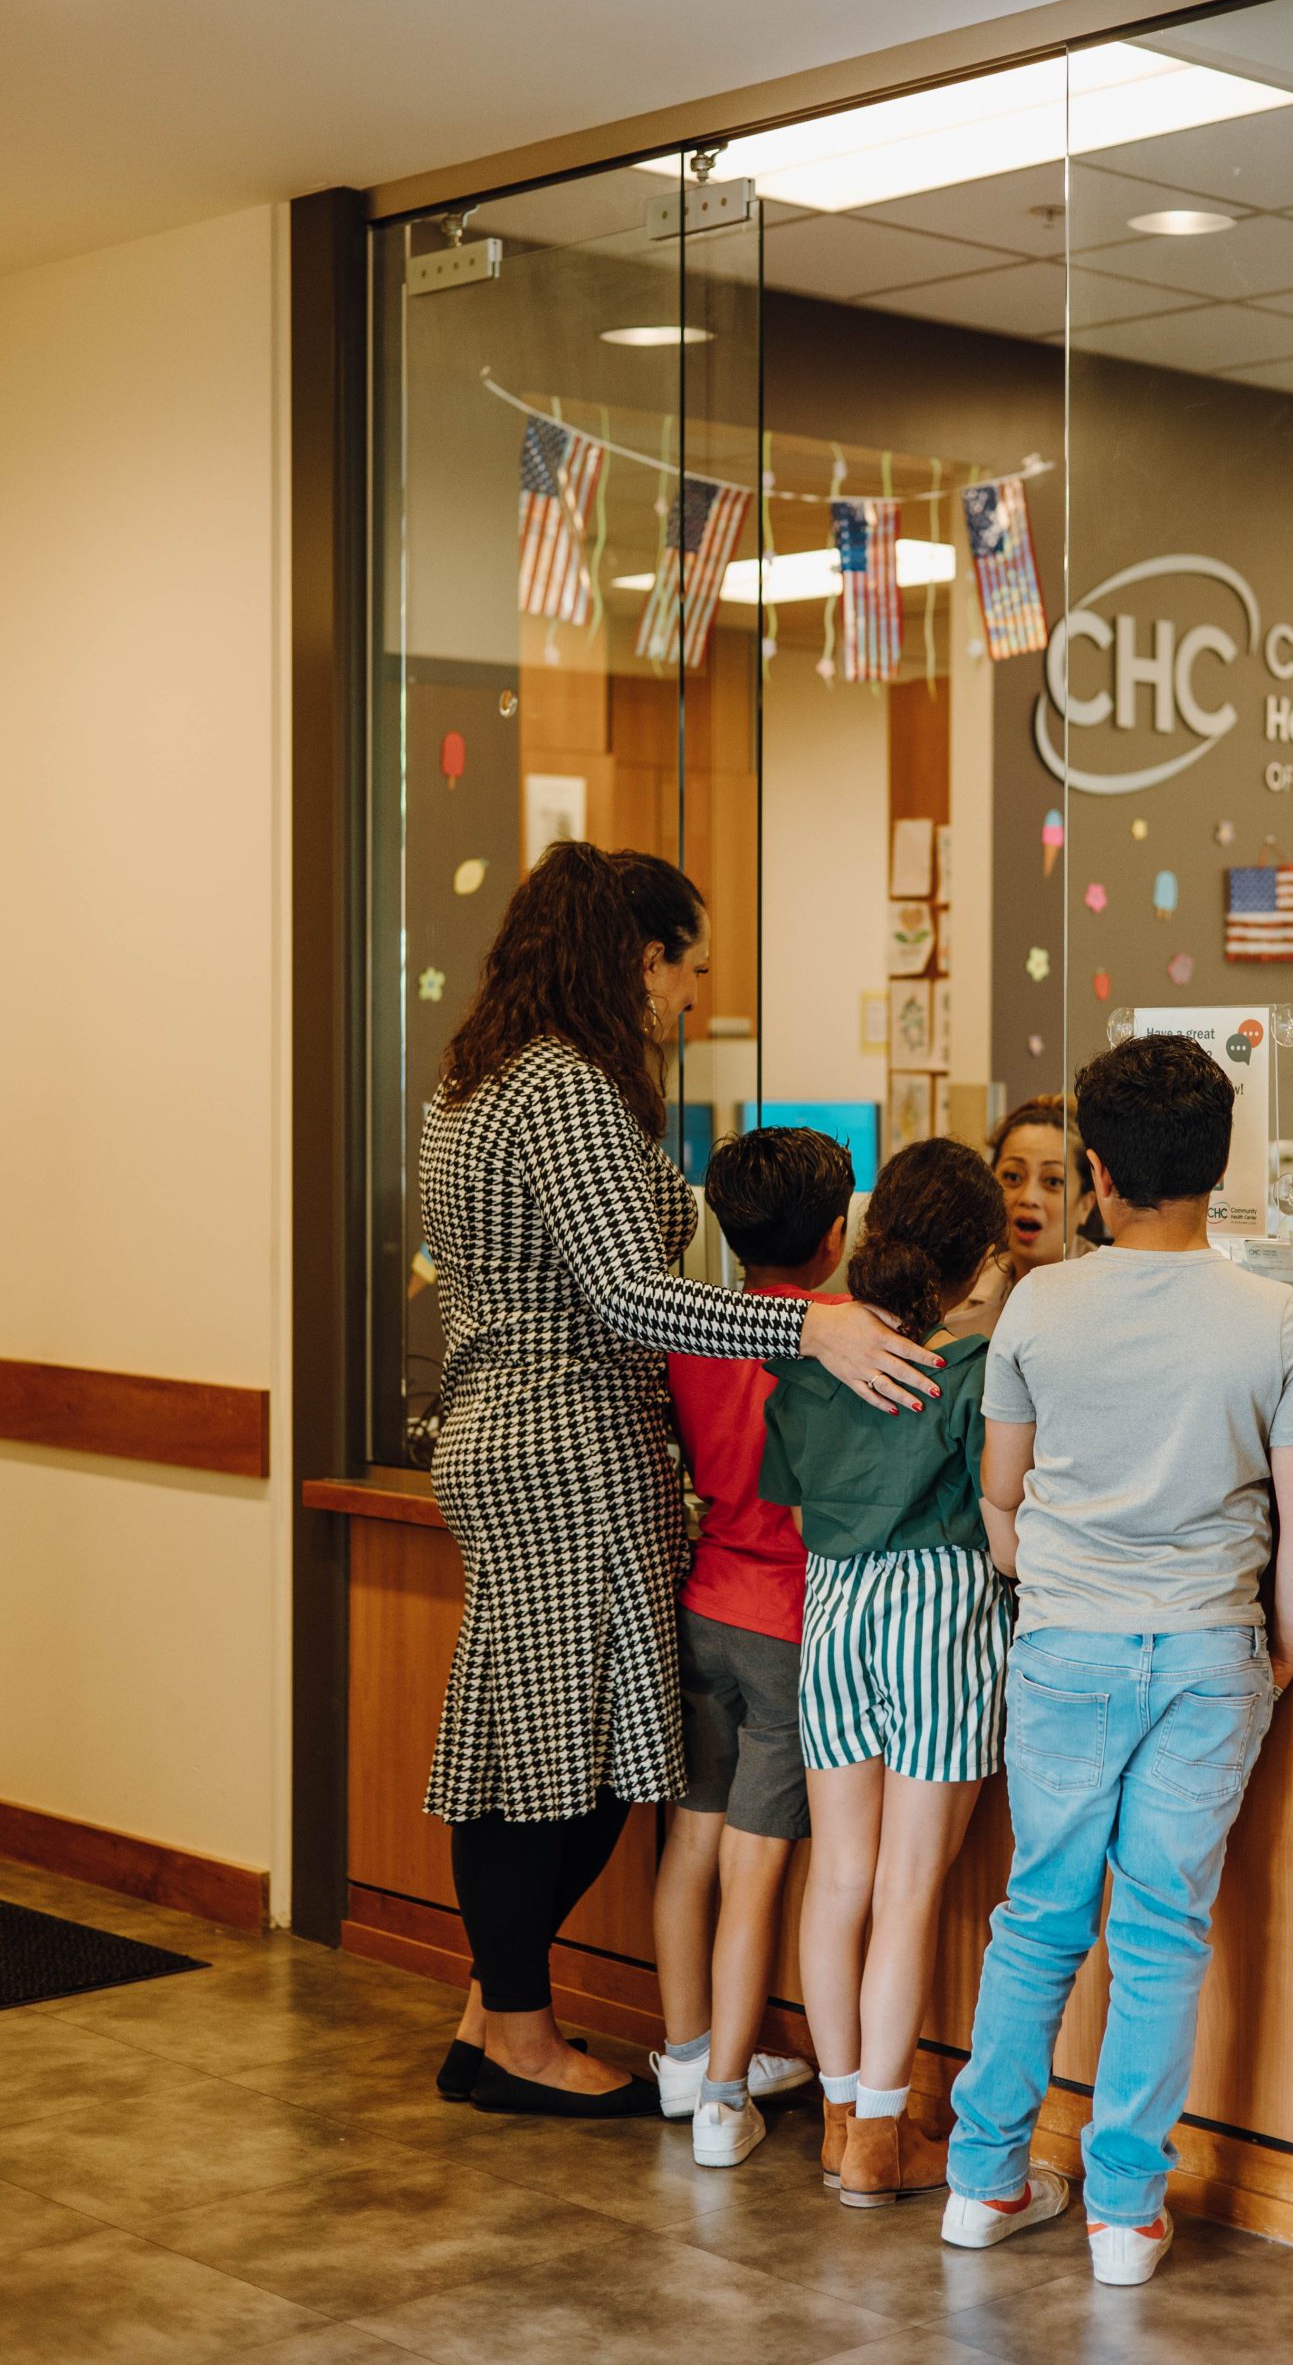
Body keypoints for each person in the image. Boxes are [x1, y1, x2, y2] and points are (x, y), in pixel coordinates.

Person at [419, 842, 943, 2119]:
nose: (693, 998)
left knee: (530, 1742)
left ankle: (492, 2013)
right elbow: (621, 1290)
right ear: (639, 959)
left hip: (501, 1426)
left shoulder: (479, 1079)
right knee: (578, 1758)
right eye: (690, 968)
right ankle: (520, 2038)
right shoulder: (566, 1089)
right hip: (567, 1443)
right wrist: (809, 1323)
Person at [942, 1035, 1293, 2282]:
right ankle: (1123, 2212)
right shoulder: (1273, 1317)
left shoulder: (1038, 1304)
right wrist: (1276, 1657)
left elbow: (1001, 1486)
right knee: (1163, 1928)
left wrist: (1037, 1568)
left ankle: (982, 2182)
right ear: (1218, 1174)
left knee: (1040, 1919)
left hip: (1067, 1644)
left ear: (1098, 1173)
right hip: (1212, 1652)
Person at [761, 1137, 1009, 2210]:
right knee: (909, 1890)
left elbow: (791, 1492)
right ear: (981, 1262)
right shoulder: (977, 1373)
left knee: (841, 1878)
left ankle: (835, 2115)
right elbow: (1007, 1509)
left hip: (833, 1606)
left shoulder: (807, 1363)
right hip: (938, 1609)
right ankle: (882, 2135)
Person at [651, 1127, 855, 2167]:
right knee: (759, 1858)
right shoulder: (842, 1331)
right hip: (787, 1620)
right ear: (836, 1235)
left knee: (692, 1836)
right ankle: (726, 2098)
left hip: (704, 1599)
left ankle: (686, 2054)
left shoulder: (696, 1329)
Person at [946, 1096, 1097, 1339]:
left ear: (1086, 1205)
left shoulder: (1113, 1296)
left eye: (1052, 1181)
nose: (1028, 1197)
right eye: (1013, 1177)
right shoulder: (957, 1288)